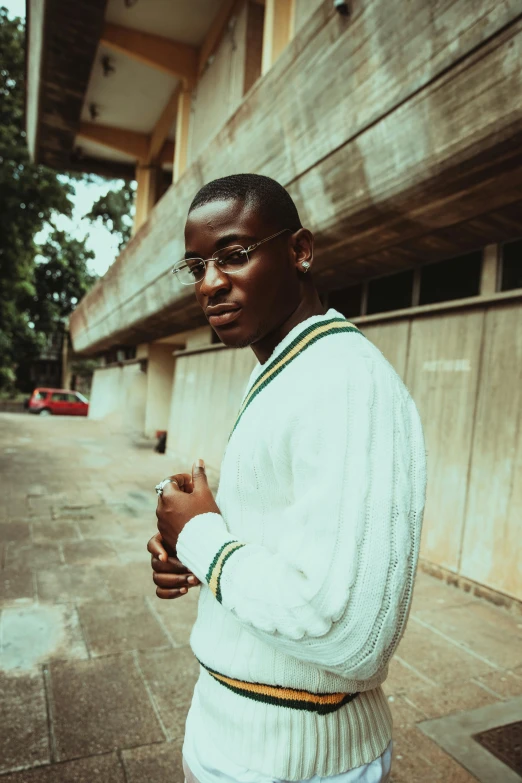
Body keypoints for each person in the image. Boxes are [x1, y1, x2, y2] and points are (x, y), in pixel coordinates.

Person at [147, 174, 427, 783]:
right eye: (196, 266)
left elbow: (348, 630)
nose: (211, 282)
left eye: (235, 255)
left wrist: (204, 540)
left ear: (300, 250)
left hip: (296, 765)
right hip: (232, 737)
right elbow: (287, 556)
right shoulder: (286, 371)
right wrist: (194, 545)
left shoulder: (347, 382)